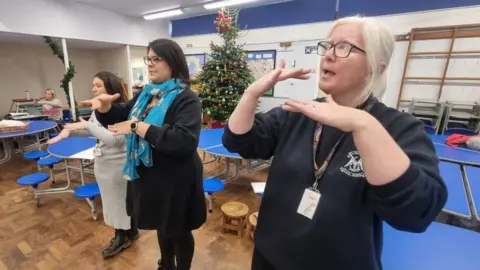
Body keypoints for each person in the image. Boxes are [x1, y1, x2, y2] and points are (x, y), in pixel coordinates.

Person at [222, 16, 448, 270]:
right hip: (270, 259)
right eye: (328, 46)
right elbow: (239, 141)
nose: (328, 55)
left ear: (377, 67)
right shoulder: (300, 113)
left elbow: (417, 212)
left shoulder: (397, 127)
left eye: (344, 47)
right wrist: (251, 94)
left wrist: (364, 125)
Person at [81, 39, 206, 270]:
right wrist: (105, 107)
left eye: (156, 59)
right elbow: (121, 114)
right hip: (151, 176)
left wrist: (137, 127)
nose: (150, 64)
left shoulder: (186, 98)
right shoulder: (147, 94)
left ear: (173, 62)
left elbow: (183, 141)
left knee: (178, 230)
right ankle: (166, 264)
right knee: (162, 225)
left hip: (177, 179)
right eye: (148, 59)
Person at [47, 72, 138, 258]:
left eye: (98, 85)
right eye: (93, 85)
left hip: (118, 165)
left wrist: (87, 126)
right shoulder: (98, 111)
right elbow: (94, 131)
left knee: (118, 203)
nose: (93, 89)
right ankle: (131, 231)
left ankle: (121, 236)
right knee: (115, 202)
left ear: (110, 88)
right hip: (104, 164)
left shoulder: (122, 111)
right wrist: (70, 131)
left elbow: (114, 140)